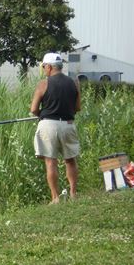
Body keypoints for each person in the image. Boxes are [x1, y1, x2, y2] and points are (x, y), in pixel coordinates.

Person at [30, 52, 81, 204]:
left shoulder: (43, 84)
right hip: (68, 124)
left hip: (48, 125)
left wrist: (41, 114)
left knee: (50, 161)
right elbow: (78, 107)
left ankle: (55, 197)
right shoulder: (74, 83)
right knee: (70, 160)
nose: (44, 69)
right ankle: (73, 193)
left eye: (44, 66)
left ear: (50, 67)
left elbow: (33, 109)